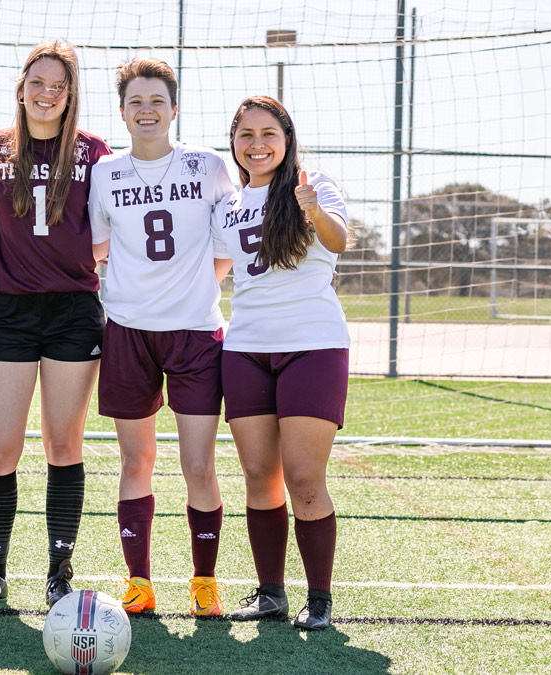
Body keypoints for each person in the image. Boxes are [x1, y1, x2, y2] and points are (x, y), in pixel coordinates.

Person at [0, 41, 111, 608]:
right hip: (9, 308)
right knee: (0, 448)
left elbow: (108, 230)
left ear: (72, 95)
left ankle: (58, 571)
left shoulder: (95, 152)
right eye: (38, 83)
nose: (48, 94)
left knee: (64, 442)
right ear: (21, 87)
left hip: (74, 308)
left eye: (60, 85)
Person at [87, 58, 236, 616]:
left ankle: (204, 581)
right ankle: (140, 582)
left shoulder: (207, 165)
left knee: (198, 464)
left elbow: (223, 251)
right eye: (135, 102)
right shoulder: (106, 172)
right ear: (122, 112)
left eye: (157, 101)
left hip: (195, 334)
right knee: (135, 461)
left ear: (174, 109)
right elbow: (100, 249)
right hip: (128, 332)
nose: (146, 110)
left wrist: (189, 294)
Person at [212, 95, 351, 631]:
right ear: (235, 144)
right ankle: (270, 591)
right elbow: (219, 268)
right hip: (245, 347)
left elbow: (339, 241)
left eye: (268, 133)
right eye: (246, 135)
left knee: (304, 476)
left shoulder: (314, 185)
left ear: (287, 138)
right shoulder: (229, 206)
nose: (257, 144)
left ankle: (318, 599)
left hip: (312, 345)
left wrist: (313, 208)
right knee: (258, 475)